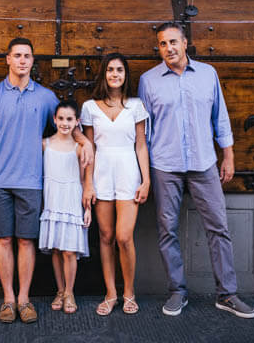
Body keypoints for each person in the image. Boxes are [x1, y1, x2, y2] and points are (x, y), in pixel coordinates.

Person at [138, 22, 254, 318]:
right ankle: (177, 291)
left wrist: (227, 156)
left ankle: (227, 294)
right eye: (163, 44)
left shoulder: (208, 74)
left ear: (185, 42)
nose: (169, 48)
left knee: (218, 227)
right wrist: (143, 173)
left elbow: (221, 117)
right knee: (168, 230)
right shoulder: (148, 80)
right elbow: (143, 131)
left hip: (204, 163)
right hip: (165, 166)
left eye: (173, 42)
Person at [0, 38, 93, 324]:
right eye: (17, 55)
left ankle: (24, 300)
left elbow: (65, 125)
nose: (22, 60)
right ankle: (8, 300)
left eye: (27, 56)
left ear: (32, 61)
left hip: (32, 181)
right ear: (8, 59)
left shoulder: (46, 97)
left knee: (26, 241)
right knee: (3, 240)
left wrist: (83, 140)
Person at [81, 53, 150, 316]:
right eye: (110, 70)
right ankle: (110, 293)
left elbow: (141, 145)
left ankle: (129, 292)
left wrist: (146, 180)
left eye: (119, 70)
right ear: (104, 73)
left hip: (128, 172)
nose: (115, 74)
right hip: (101, 173)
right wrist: (88, 184)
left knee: (124, 236)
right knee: (106, 237)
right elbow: (89, 148)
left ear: (125, 74)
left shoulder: (136, 105)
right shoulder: (89, 107)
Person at [38, 100, 92, 315]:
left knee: (69, 250)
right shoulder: (45, 144)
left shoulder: (80, 148)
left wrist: (87, 208)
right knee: (57, 249)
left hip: (71, 200)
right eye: (60, 118)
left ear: (77, 121)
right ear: (54, 120)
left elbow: (85, 179)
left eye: (69, 119)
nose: (64, 123)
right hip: (52, 200)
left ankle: (70, 291)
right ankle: (59, 290)